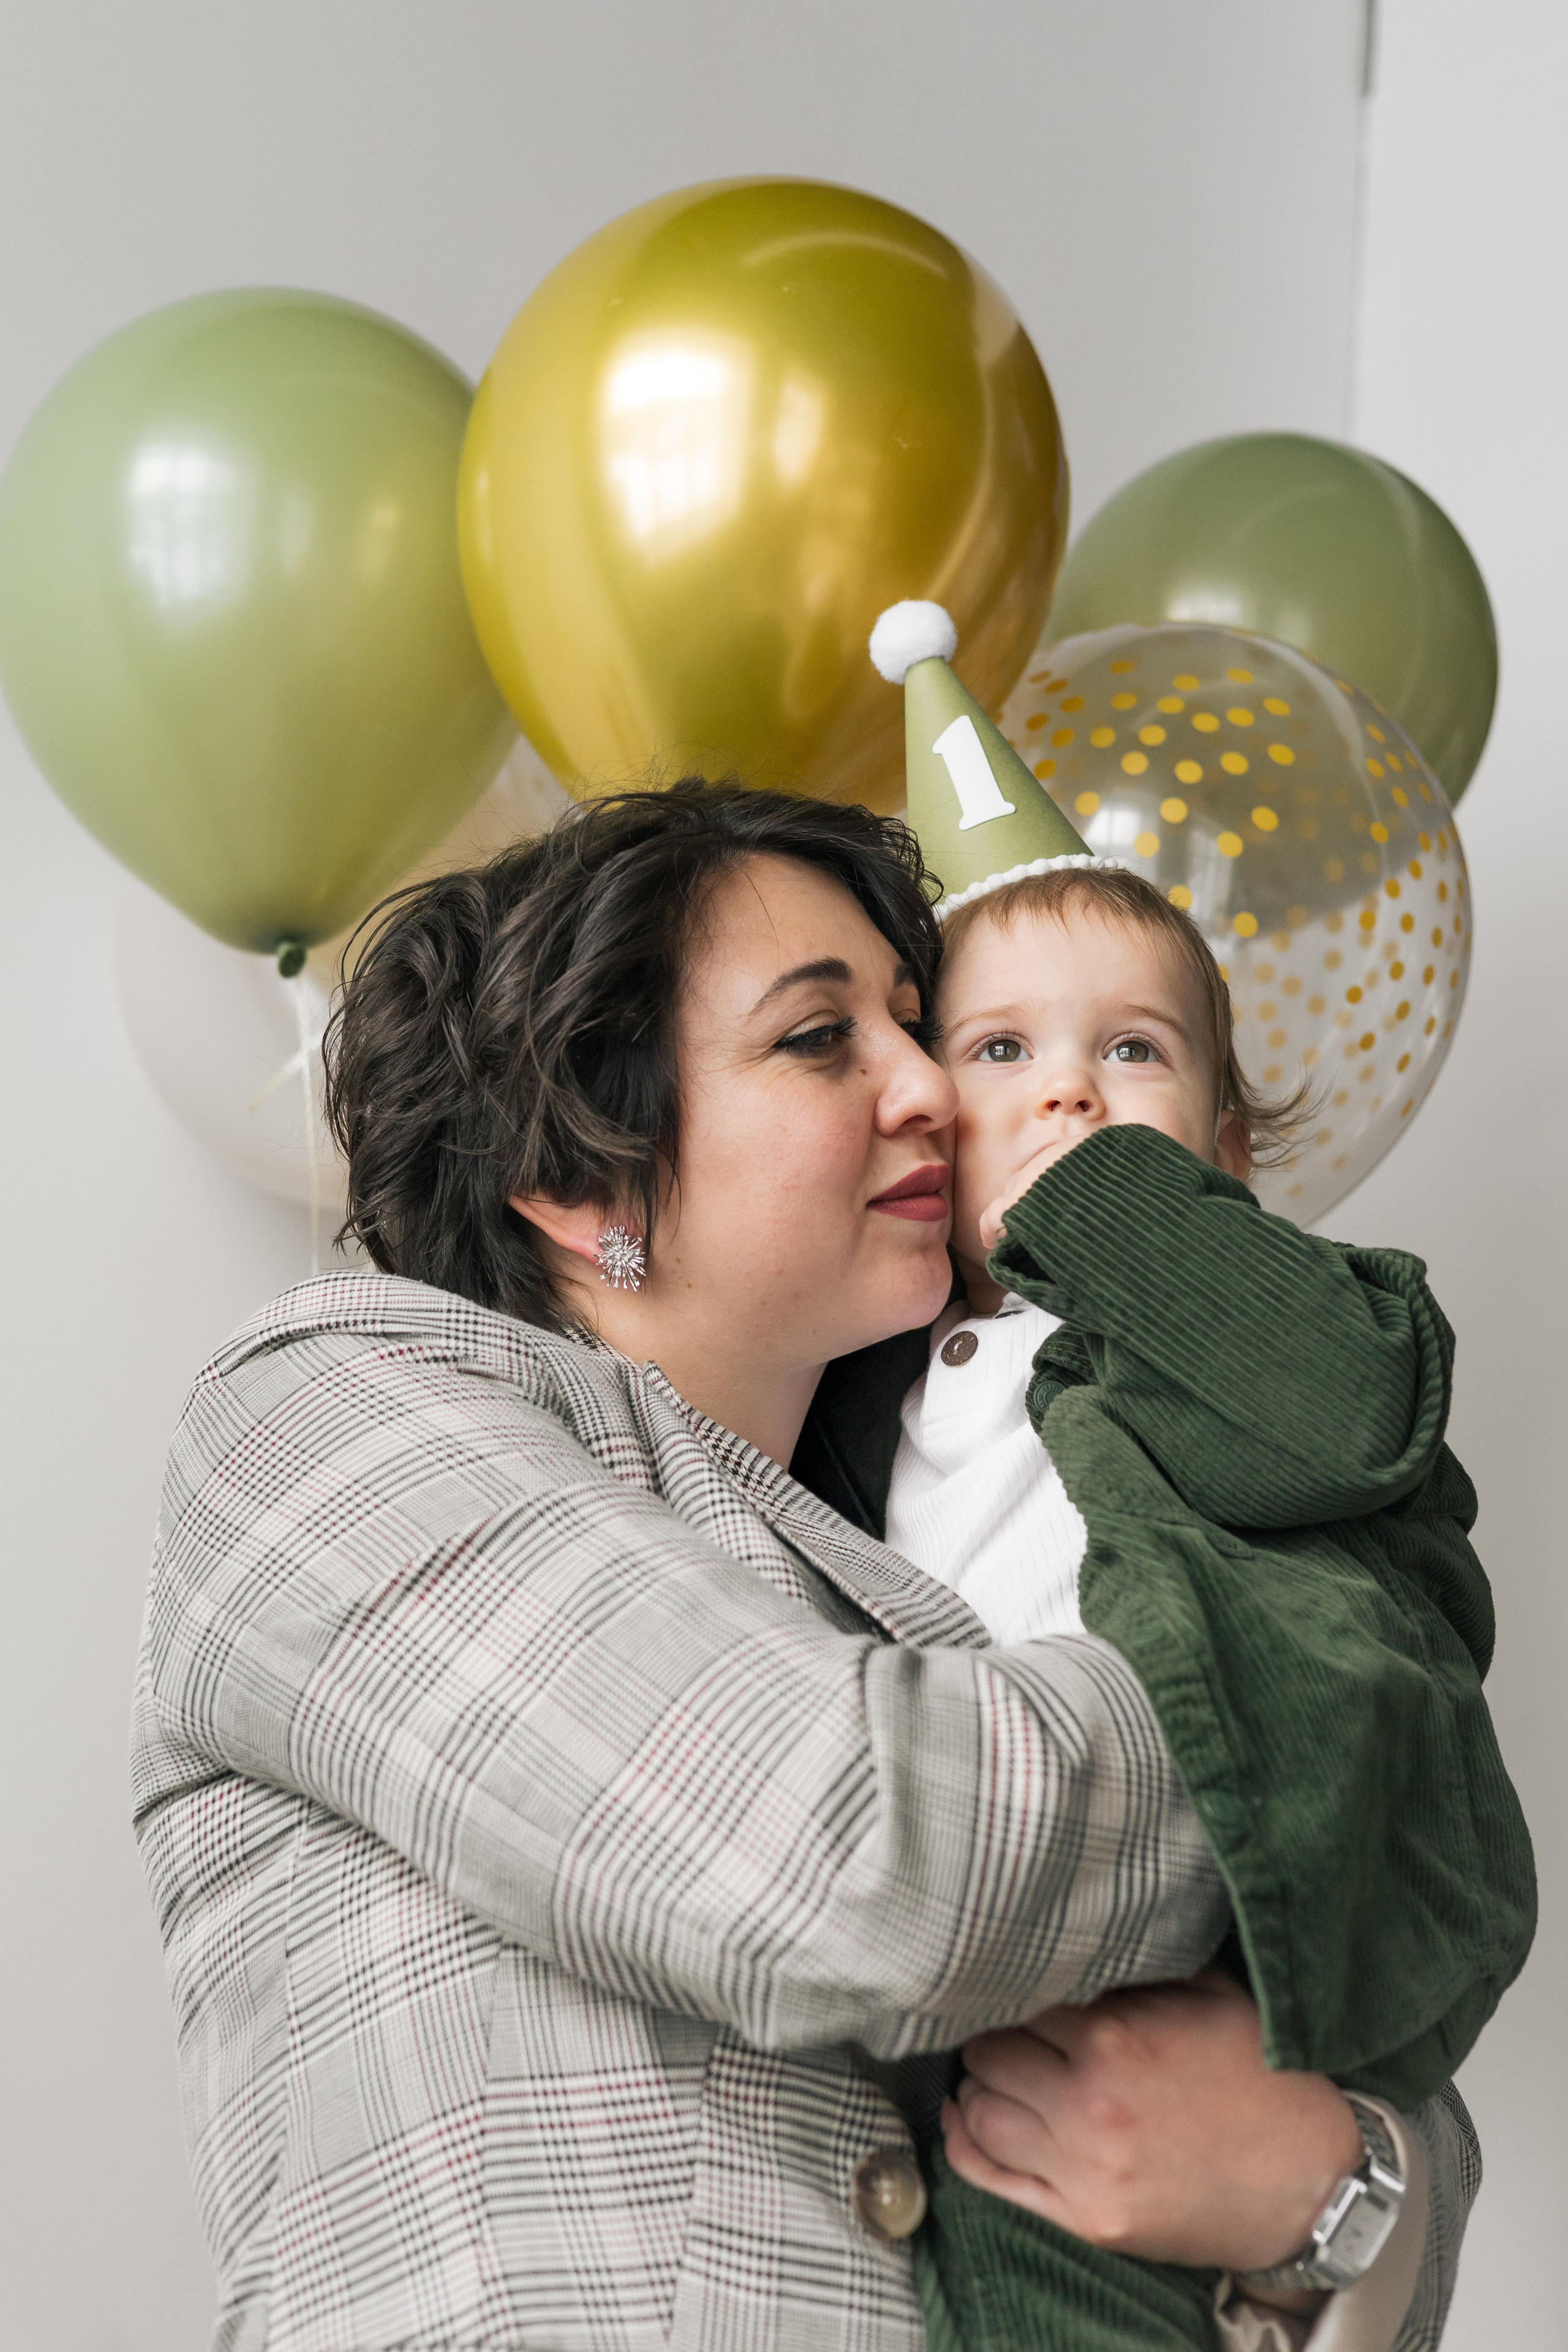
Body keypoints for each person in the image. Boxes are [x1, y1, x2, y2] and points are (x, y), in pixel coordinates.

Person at [133, 783, 1479, 2352]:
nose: (930, 1090)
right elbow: (858, 1858)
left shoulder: (973, 1509)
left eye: (918, 1026)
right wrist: (1352, 1699)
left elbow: (1388, 2065)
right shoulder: (322, 1409)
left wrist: (1331, 2181)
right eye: (819, 1038)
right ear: (577, 1175)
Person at [796, 861, 1533, 2350]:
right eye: (999, 1051)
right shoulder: (860, 1382)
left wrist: (1109, 1210)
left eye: (1130, 1051)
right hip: (961, 1932)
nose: (1067, 1093)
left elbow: (1348, 1416)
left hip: (1204, 1921)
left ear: (1225, 1144)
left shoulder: (1253, 1329)